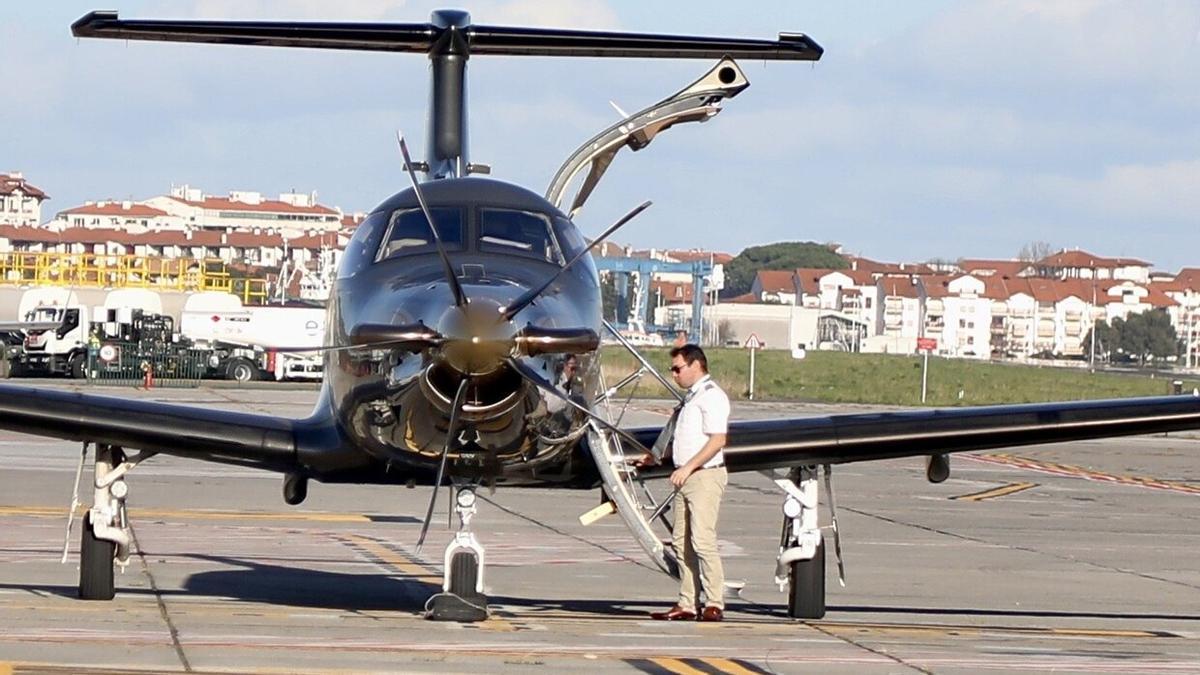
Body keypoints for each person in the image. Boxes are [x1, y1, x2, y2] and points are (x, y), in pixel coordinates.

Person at [639, 344, 730, 622]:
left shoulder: (712, 397)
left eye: (678, 369)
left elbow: (718, 440)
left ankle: (715, 601)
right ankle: (688, 602)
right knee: (681, 543)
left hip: (704, 476)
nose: (674, 374)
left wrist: (689, 467)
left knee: (702, 540)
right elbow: (682, 437)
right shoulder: (691, 399)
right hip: (685, 476)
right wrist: (656, 458)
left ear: (695, 366)